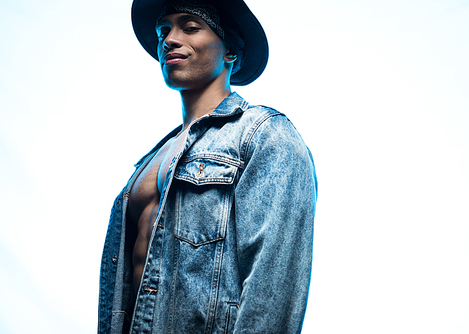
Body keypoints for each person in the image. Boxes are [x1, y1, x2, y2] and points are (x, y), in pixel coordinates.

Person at [97, 0, 317, 333]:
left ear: (230, 50)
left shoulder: (263, 134)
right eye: (164, 29)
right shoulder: (153, 158)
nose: (169, 38)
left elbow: (273, 289)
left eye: (190, 27)